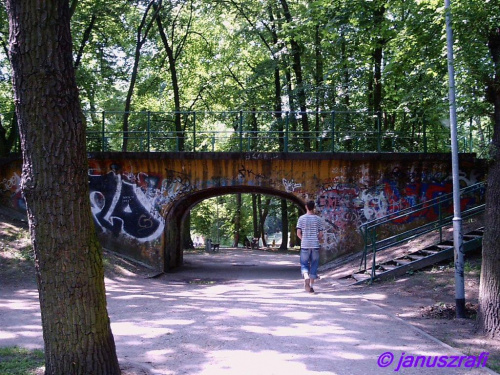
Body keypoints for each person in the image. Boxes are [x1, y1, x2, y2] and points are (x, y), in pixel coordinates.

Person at [296, 200, 324, 293]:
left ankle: (305, 276)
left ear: (306, 207)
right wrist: (316, 239)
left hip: (305, 245)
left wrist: (303, 239)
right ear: (314, 207)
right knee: (314, 265)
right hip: (315, 245)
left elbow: (298, 233)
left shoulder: (301, 218)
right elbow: (320, 234)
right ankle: (311, 286)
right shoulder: (318, 219)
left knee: (304, 264)